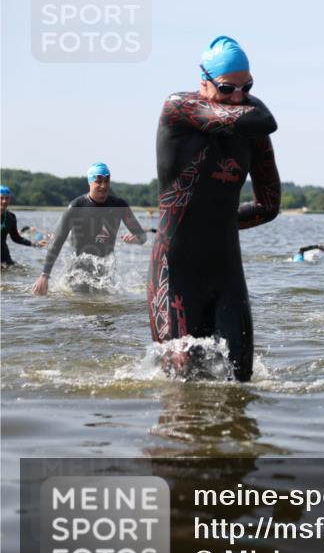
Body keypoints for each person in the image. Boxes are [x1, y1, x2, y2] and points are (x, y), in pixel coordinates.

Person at [148, 35, 280, 382]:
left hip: (225, 270)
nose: (238, 97)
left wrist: (216, 223)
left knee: (241, 379)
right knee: (182, 379)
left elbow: (268, 205)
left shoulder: (253, 130)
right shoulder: (177, 109)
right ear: (203, 80)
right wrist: (194, 225)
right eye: (226, 88)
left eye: (246, 87)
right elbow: (263, 117)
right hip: (175, 269)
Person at [31, 163, 146, 294]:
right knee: (82, 305)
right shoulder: (76, 206)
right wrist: (44, 276)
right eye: (98, 181)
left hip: (104, 272)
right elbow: (57, 241)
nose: (103, 185)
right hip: (78, 272)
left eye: (106, 181)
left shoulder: (119, 206)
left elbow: (143, 237)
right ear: (90, 182)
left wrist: (136, 239)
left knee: (105, 310)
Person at [1, 185, 47, 267]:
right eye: (1, 198)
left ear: (10, 199)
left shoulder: (11, 217)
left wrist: (34, 244)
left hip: (4, 254)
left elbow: (16, 238)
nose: (4, 201)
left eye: (7, 198)